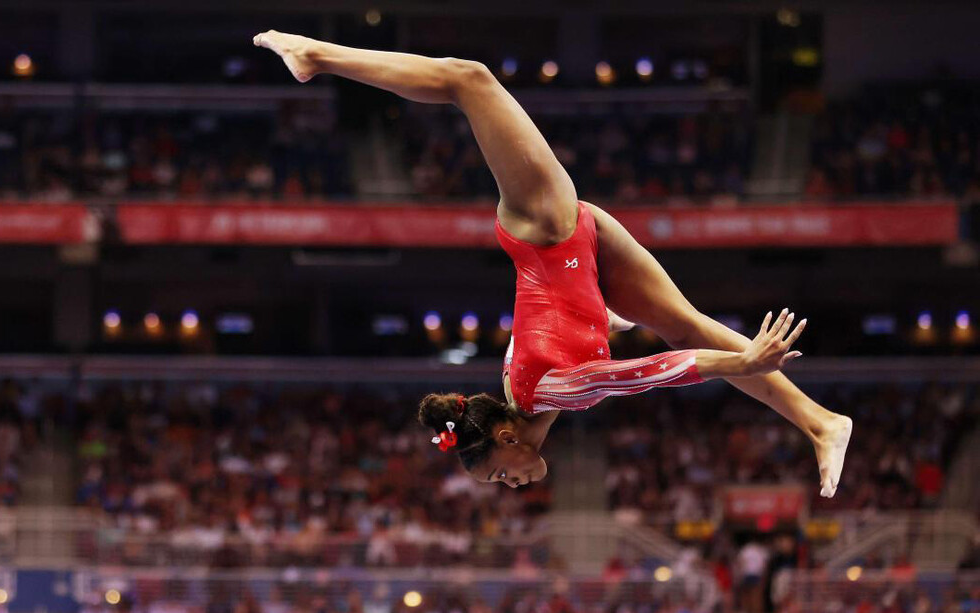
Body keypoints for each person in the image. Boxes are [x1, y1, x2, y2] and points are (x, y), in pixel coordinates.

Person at [253, 30, 852, 495]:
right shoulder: (516, 391)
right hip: (581, 254)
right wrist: (605, 321)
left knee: (471, 80)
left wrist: (740, 361)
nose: (509, 486)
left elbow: (644, 374)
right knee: (688, 322)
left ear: (508, 437)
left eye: (498, 475)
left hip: (546, 229)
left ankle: (317, 55)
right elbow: (549, 329)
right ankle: (822, 422)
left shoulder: (552, 392)